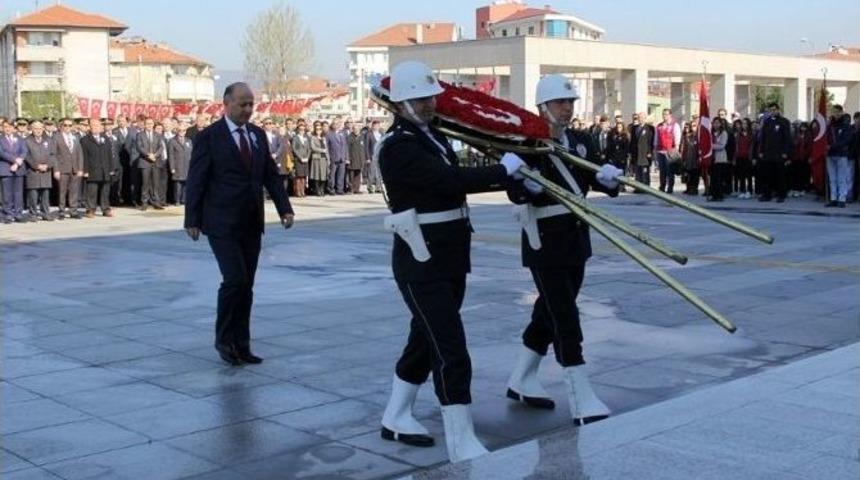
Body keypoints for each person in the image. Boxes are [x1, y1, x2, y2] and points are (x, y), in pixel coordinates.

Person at [376, 61, 524, 463]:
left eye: (431, 97)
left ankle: (396, 414)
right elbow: (449, 182)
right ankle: (461, 439)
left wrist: (513, 172)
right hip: (420, 260)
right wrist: (502, 170)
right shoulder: (399, 146)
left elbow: (454, 178)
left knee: (424, 340)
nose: (429, 104)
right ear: (402, 102)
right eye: (421, 99)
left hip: (448, 255)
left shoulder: (432, 135)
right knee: (451, 348)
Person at [504, 74, 621, 427]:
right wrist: (525, 184)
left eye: (570, 102)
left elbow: (598, 179)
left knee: (548, 311)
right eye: (560, 103)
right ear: (543, 107)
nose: (567, 108)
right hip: (545, 240)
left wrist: (610, 179)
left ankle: (521, 379)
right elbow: (516, 192)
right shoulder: (529, 143)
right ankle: (580, 395)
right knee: (566, 316)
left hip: (576, 239)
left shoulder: (581, 140)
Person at [184, 82, 294, 366]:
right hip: (221, 222)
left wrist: (285, 208)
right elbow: (197, 179)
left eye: (250, 104)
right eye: (242, 104)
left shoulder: (257, 135)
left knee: (247, 285)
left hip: (250, 221)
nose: (247, 109)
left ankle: (242, 344)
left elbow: (270, 175)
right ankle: (224, 340)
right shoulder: (209, 137)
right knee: (235, 280)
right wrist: (192, 218)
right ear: (227, 103)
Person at [80, 118, 119, 217]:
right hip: (92, 169)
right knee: (92, 191)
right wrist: (85, 170)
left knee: (105, 191)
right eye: (94, 125)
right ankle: (90, 209)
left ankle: (105, 209)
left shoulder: (105, 138)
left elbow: (110, 154)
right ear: (90, 127)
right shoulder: (85, 140)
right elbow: (84, 156)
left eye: (98, 125)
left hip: (105, 169)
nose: (96, 128)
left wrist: (111, 169)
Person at [757, 102, 792, 203]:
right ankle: (767, 195)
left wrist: (786, 152)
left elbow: (787, 139)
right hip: (768, 154)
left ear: (778, 110)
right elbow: (763, 138)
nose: (772, 112)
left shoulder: (784, 122)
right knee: (767, 176)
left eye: (774, 110)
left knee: (780, 176)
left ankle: (781, 195)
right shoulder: (767, 122)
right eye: (770, 110)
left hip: (780, 154)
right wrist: (761, 151)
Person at [24, 120, 56, 220]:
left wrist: (48, 165)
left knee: (45, 194)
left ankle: (45, 213)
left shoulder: (49, 140)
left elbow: (53, 155)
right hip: (33, 172)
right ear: (31, 129)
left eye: (40, 128)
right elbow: (26, 156)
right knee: (33, 195)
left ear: (43, 129)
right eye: (35, 128)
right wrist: (37, 166)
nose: (38, 130)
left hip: (46, 171)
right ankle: (33, 214)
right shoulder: (26, 141)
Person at [53, 118, 84, 219]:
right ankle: (61, 211)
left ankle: (73, 210)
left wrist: (80, 168)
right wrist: (56, 169)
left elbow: (79, 153)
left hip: (74, 168)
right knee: (62, 191)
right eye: (65, 125)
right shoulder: (56, 137)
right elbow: (54, 155)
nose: (68, 127)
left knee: (74, 190)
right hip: (62, 168)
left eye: (70, 125)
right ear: (61, 126)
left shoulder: (75, 137)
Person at [0, 119, 30, 222]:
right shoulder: (0, 139)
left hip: (19, 169)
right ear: (2, 128)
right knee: (7, 193)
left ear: (13, 128)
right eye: (5, 127)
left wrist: (17, 163)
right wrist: (14, 160)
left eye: (10, 127)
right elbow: (2, 153)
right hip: (5, 169)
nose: (8, 129)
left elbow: (24, 151)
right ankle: (8, 213)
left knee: (18, 193)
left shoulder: (20, 139)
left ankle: (18, 213)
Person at [826, 106, 854, 208]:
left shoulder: (846, 126)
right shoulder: (829, 126)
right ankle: (833, 199)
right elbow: (825, 138)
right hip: (830, 155)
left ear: (842, 112)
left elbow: (846, 140)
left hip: (841, 154)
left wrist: (832, 146)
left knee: (842, 178)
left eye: (838, 112)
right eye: (834, 112)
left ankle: (842, 199)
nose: (836, 114)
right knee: (832, 178)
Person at [136, 118, 165, 210]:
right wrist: (148, 155)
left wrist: (155, 155)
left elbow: (161, 147)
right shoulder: (140, 135)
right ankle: (144, 202)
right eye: (147, 124)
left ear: (153, 125)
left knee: (155, 183)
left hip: (155, 162)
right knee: (145, 183)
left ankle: (156, 202)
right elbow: (139, 147)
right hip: (145, 162)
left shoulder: (158, 135)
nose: (149, 125)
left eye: (151, 123)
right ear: (144, 125)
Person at [654, 108, 682, 193]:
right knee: (662, 170)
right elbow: (656, 138)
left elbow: (677, 137)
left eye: (666, 114)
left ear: (670, 115)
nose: (664, 116)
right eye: (663, 114)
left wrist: (676, 149)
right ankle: (662, 186)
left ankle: (670, 187)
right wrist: (655, 148)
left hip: (670, 151)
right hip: (660, 151)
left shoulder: (675, 125)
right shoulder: (659, 126)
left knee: (670, 170)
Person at [168, 121, 192, 206]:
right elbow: (170, 155)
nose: (182, 132)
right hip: (177, 165)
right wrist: (172, 167)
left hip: (187, 165)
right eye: (180, 130)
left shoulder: (189, 141)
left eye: (184, 130)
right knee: (178, 185)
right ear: (177, 131)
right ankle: (177, 200)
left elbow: (191, 153)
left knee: (186, 184)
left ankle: (183, 199)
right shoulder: (172, 141)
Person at [325, 117, 348, 194]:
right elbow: (327, 147)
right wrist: (328, 157)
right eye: (335, 123)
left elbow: (345, 146)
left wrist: (346, 157)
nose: (337, 125)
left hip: (342, 157)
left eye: (338, 124)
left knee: (341, 174)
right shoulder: (329, 134)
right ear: (332, 125)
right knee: (332, 175)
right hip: (333, 157)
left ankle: (339, 189)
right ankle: (331, 189)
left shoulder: (342, 134)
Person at [708, 118, 729, 201]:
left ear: (720, 124)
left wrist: (710, 146)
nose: (715, 125)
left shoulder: (723, 133)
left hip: (720, 158)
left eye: (717, 123)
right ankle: (713, 194)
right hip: (712, 158)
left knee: (719, 178)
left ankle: (719, 195)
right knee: (713, 178)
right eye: (714, 123)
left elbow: (722, 145)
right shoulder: (711, 133)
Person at [789, 122, 812, 198]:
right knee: (794, 174)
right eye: (801, 127)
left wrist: (807, 155)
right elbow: (793, 145)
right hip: (795, 157)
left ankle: (800, 189)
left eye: (804, 127)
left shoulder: (808, 135)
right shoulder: (796, 135)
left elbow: (809, 147)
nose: (803, 128)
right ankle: (794, 189)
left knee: (802, 174)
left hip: (804, 158)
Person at [631, 113, 654, 186]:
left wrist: (650, 152)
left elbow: (651, 141)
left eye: (642, 117)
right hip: (636, 153)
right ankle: (638, 187)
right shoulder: (634, 128)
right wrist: (631, 152)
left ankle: (646, 186)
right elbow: (632, 141)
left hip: (645, 153)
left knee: (645, 171)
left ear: (645, 118)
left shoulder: (650, 128)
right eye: (639, 117)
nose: (640, 119)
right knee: (637, 171)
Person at [734, 119, 754, 199]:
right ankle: (742, 190)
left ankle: (749, 191)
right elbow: (736, 146)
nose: (744, 125)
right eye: (742, 124)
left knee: (748, 175)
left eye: (745, 124)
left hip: (748, 157)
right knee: (741, 175)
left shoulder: (751, 134)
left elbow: (752, 146)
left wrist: (751, 156)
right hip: (740, 156)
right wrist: (735, 157)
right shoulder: (738, 134)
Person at [309, 122, 329, 196]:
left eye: (320, 129)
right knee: (317, 175)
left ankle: (322, 189)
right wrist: (321, 150)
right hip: (316, 158)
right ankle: (317, 190)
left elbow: (326, 149)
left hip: (323, 158)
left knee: (323, 175)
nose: (319, 131)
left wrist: (328, 159)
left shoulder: (324, 138)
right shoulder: (313, 138)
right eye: (317, 129)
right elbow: (313, 148)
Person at [291, 123, 310, 197]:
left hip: (305, 159)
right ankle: (298, 191)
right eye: (300, 129)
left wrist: (307, 157)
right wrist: (300, 158)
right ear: (298, 130)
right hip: (298, 159)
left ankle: (303, 191)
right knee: (299, 176)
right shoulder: (295, 138)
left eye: (303, 129)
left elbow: (309, 149)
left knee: (304, 176)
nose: (302, 131)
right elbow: (294, 149)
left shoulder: (306, 138)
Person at [365, 120, 384, 194]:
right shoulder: (369, 134)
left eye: (378, 125)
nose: (376, 127)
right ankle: (369, 187)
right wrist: (367, 157)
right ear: (372, 126)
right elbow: (366, 146)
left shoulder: (381, 133)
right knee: (371, 172)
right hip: (372, 155)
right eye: (375, 125)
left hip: (380, 155)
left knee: (379, 172)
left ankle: (378, 187)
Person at [347, 121, 366, 194]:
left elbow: (364, 148)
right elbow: (347, 148)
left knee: (358, 175)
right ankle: (351, 189)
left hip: (360, 159)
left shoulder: (362, 137)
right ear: (352, 129)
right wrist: (348, 158)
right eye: (354, 129)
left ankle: (357, 189)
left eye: (357, 129)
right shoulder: (349, 137)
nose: (356, 130)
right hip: (352, 158)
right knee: (351, 175)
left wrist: (364, 158)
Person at [680, 122, 699, 195]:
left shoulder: (695, 136)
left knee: (694, 174)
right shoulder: (684, 136)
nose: (686, 129)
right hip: (686, 157)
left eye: (688, 127)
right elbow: (682, 147)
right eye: (685, 127)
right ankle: (688, 188)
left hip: (694, 157)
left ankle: (694, 189)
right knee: (686, 173)